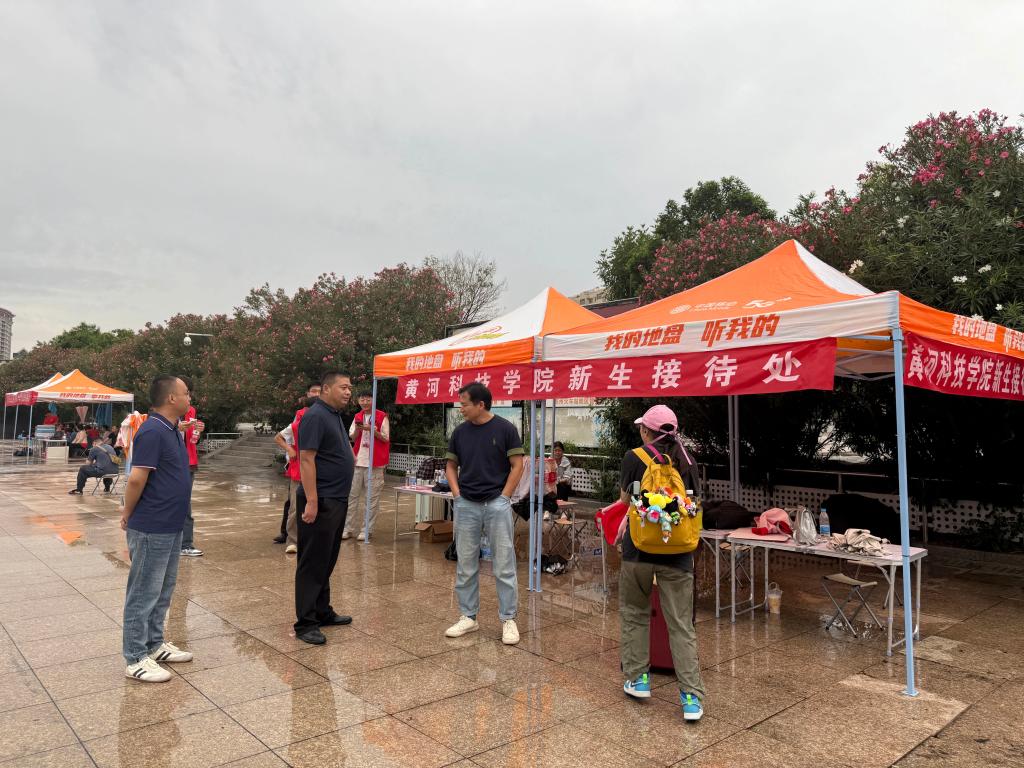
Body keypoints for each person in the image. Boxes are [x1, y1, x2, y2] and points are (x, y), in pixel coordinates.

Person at [615, 404, 705, 721]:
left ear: (646, 431)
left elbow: (626, 501)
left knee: (635, 613)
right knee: (681, 625)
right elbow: (694, 506)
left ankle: (638, 680)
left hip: (638, 551)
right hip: (678, 553)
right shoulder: (689, 461)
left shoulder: (634, 457)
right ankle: (691, 698)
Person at [119, 375, 195, 683]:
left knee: (163, 590)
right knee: (143, 592)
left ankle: (153, 643)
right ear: (172, 398)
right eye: (186, 393)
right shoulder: (152, 430)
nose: (190, 397)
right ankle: (135, 656)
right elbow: (137, 478)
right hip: (152, 526)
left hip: (171, 525)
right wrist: (127, 513)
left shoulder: (172, 430)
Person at [444, 382, 525, 646]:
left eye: (464, 404)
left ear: (481, 404)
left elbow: (517, 465)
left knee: (504, 563)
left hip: (496, 504)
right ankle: (468, 616)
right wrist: (457, 495)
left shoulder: (505, 429)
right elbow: (450, 466)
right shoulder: (460, 432)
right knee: (465, 563)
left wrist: (504, 497)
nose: (461, 408)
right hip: (466, 504)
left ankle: (508, 619)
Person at [293, 372, 355, 645]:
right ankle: (305, 623)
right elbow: (307, 459)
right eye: (343, 387)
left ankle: (322, 611)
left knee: (326, 559)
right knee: (312, 563)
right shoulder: (315, 416)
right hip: (321, 499)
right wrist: (312, 501)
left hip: (336, 498)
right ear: (326, 389)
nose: (348, 392)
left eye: (350, 388)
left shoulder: (333, 415)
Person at [273, 383, 321, 551]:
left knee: (316, 506)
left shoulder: (326, 420)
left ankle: (312, 539)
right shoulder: (297, 421)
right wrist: (290, 449)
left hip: (318, 471)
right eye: (313, 392)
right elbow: (279, 437)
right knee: (294, 506)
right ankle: (292, 540)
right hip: (298, 470)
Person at [343, 389, 390, 542]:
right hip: (358, 461)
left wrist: (372, 431)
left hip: (374, 463)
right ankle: (348, 528)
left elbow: (386, 438)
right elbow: (352, 437)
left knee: (371, 499)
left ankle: (366, 530)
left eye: (368, 399)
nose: (365, 402)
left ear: (373, 400)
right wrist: (358, 428)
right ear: (358, 401)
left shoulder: (381, 416)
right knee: (352, 497)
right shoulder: (357, 416)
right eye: (362, 400)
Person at [178, 377, 205, 558]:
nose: (188, 397)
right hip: (172, 463)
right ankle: (176, 543)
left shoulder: (191, 411)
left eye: (189, 393)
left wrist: (197, 431)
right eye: (185, 393)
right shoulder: (164, 412)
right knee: (174, 502)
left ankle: (185, 544)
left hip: (188, 462)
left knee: (185, 503)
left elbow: (192, 440)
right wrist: (178, 428)